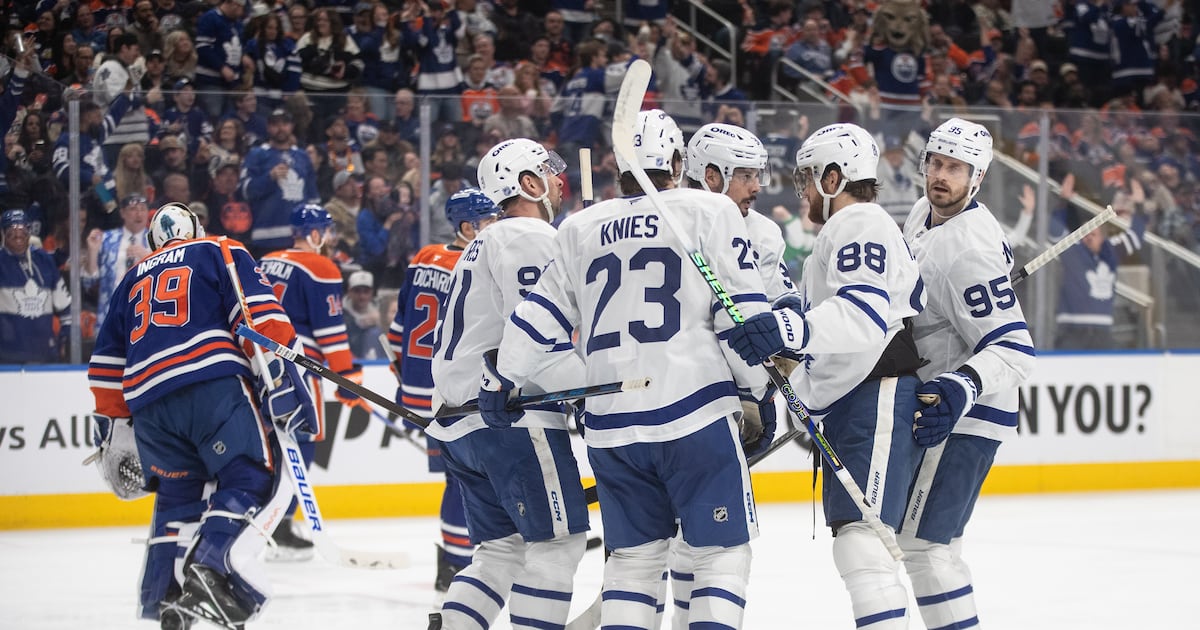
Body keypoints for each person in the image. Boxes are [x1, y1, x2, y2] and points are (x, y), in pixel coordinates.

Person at [483, 111, 773, 628]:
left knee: (634, 566)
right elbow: (744, 323)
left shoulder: (576, 227)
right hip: (696, 415)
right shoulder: (710, 210)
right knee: (719, 557)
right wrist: (756, 393)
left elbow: (526, 335)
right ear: (679, 162)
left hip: (613, 428)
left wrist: (502, 383)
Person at [724, 123, 926, 629]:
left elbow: (861, 317)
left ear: (835, 178)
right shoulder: (843, 232)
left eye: (809, 178)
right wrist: (799, 398)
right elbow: (833, 338)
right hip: (856, 401)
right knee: (857, 543)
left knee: (866, 547)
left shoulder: (858, 223)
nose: (804, 191)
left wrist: (786, 329)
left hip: (875, 396)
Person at [86, 203, 317, 629]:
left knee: (178, 497)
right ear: (196, 228)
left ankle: (168, 597)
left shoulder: (129, 281)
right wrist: (282, 377)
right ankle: (214, 569)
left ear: (154, 242)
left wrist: (113, 429)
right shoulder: (218, 248)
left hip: (148, 402)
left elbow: (104, 367)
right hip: (211, 384)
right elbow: (258, 317)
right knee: (250, 476)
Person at [427, 138, 589, 630]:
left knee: (502, 551)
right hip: (512, 417)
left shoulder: (483, 242)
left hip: (461, 424)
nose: (559, 181)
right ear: (528, 184)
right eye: (547, 172)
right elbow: (534, 338)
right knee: (558, 544)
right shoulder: (527, 235)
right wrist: (600, 394)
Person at [898, 117, 1037, 629]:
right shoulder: (920, 214)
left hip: (966, 414)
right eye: (935, 162)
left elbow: (1014, 349)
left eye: (955, 168)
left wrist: (962, 386)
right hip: (940, 405)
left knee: (926, 549)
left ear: (976, 178)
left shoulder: (970, 251)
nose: (941, 175)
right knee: (933, 546)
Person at [386, 189, 500, 597]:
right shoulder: (475, 263)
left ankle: (458, 557)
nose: (495, 226)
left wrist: (404, 379)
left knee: (459, 477)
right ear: (467, 227)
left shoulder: (421, 259)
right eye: (488, 220)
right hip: (450, 393)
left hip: (417, 389)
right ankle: (456, 562)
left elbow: (398, 327)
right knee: (465, 479)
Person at [259, 204, 364, 560]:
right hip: (299, 369)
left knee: (271, 446)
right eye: (327, 231)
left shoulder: (267, 260)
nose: (330, 238)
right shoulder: (320, 266)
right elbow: (331, 331)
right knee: (302, 443)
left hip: (259, 368)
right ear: (314, 234)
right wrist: (347, 375)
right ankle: (279, 524)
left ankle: (265, 519)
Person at [239, 108, 320, 258]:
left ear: (292, 126)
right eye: (275, 124)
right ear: (268, 127)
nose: (281, 128)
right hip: (266, 238)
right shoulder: (257, 155)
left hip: (299, 237)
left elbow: (313, 198)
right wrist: (269, 177)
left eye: (285, 123)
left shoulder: (302, 156)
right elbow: (244, 191)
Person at [0, 209, 72, 363]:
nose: (17, 235)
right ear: (3, 234)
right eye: (12, 230)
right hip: (6, 357)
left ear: (29, 232)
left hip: (44, 354)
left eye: (22, 230)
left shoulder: (44, 261)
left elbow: (65, 307)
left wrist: (66, 338)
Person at [81, 194, 152, 331]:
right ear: (122, 213)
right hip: (111, 314)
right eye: (133, 209)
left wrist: (148, 257)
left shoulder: (156, 241)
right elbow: (88, 282)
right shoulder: (106, 240)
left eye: (143, 209)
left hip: (145, 315)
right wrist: (92, 252)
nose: (138, 214)